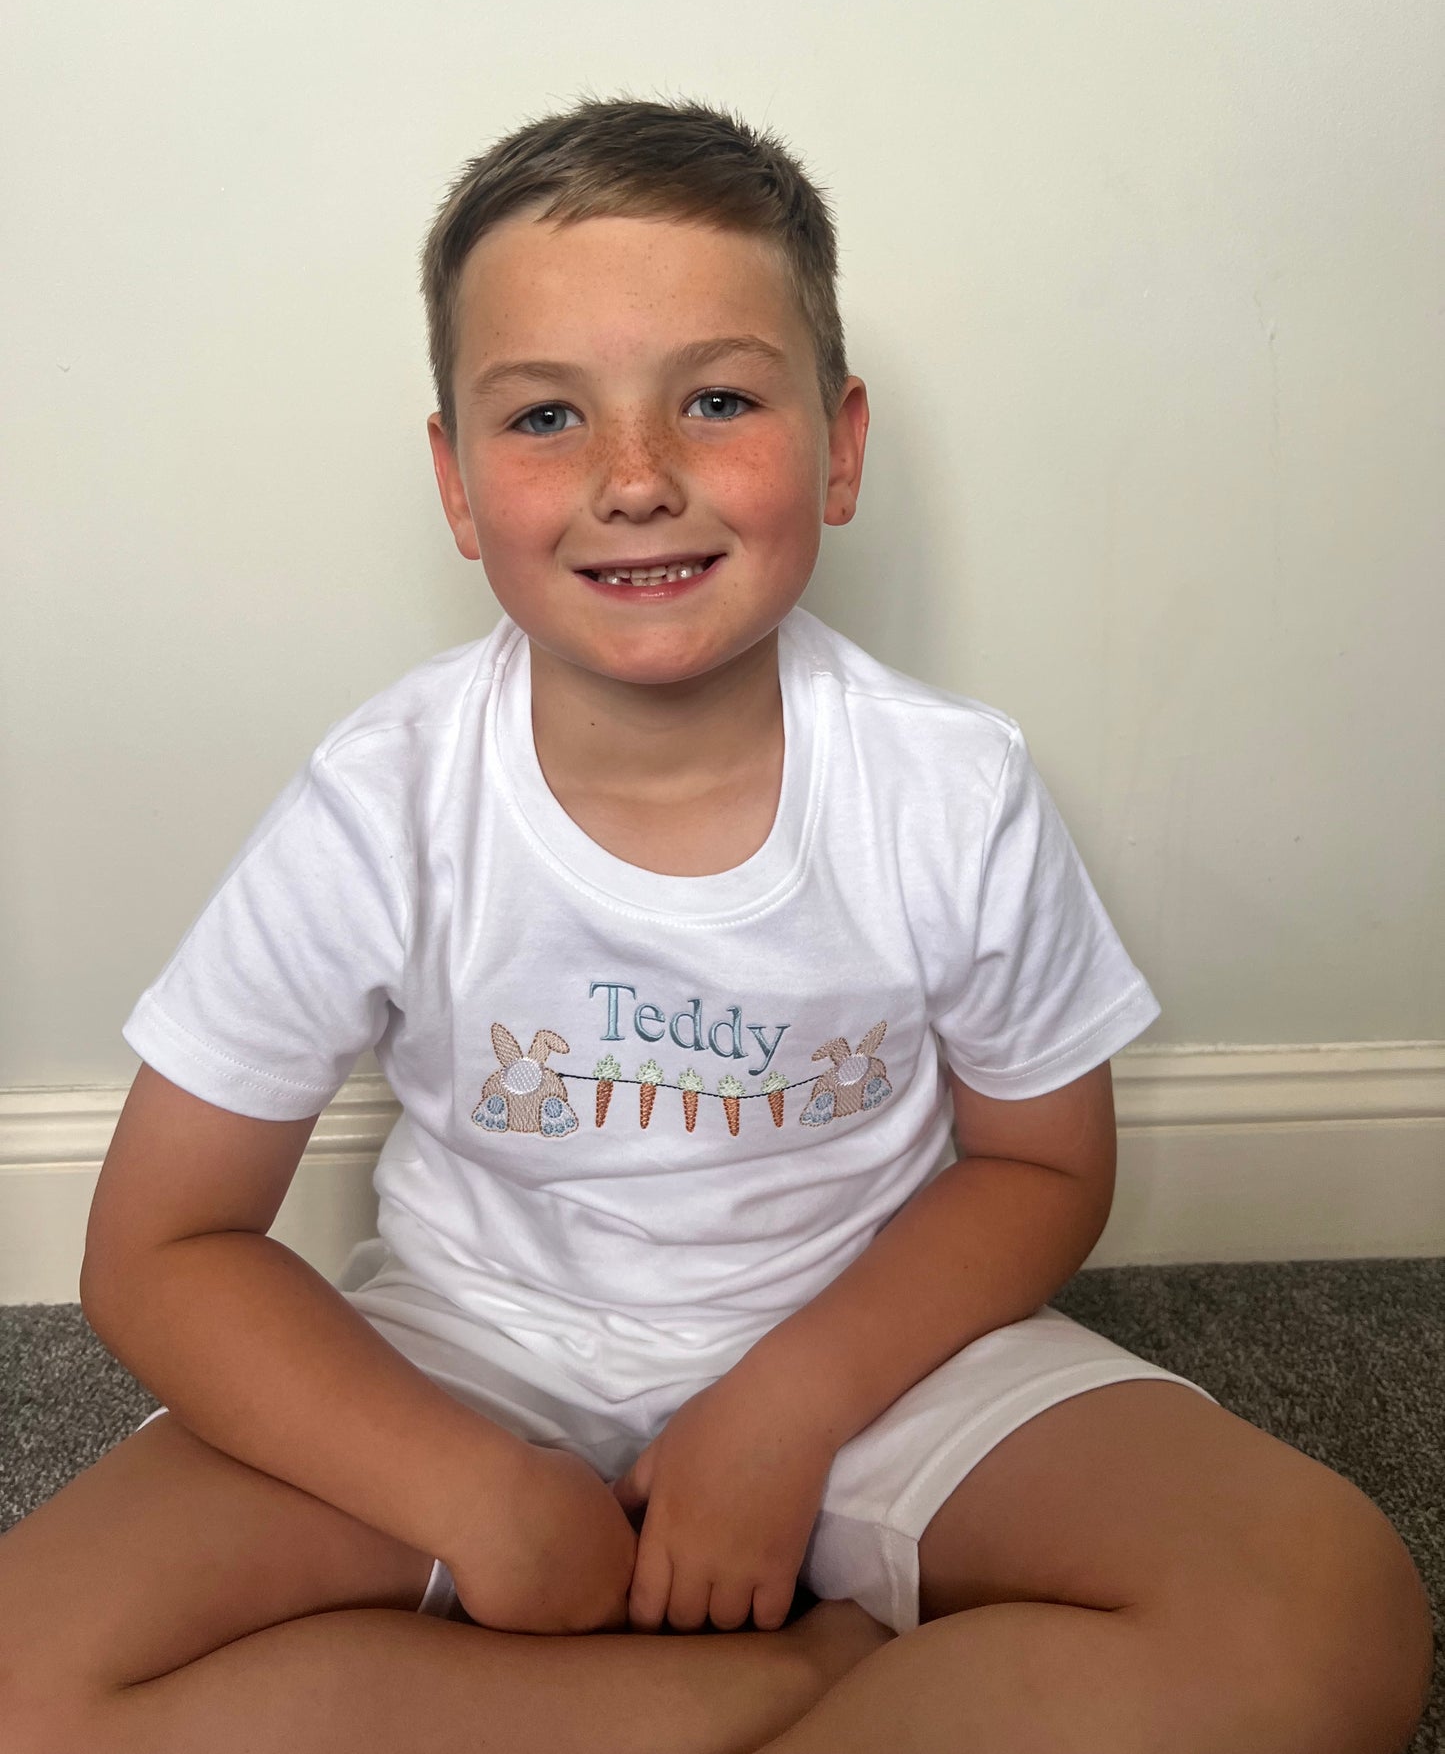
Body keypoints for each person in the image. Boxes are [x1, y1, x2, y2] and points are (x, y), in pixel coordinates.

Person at [1, 98, 1430, 1754]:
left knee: (1322, 1609)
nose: (633, 477)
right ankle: (764, 1689)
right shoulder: (378, 800)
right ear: (456, 485)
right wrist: (473, 1494)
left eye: (717, 398)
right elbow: (161, 1247)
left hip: (874, 1358)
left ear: (837, 445)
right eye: (544, 416)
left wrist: (786, 1409)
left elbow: (1041, 1165)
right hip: (467, 1361)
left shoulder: (944, 789)